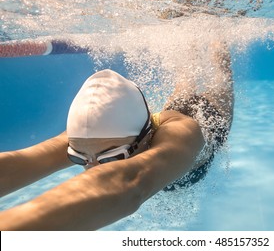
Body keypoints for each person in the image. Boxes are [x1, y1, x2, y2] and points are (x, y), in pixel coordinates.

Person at [0, 41, 234, 230]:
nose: (93, 169)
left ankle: (216, 39)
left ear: (146, 138)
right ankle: (191, 45)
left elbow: (129, 183)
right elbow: (23, 161)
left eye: (111, 158)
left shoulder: (183, 135)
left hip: (209, 117)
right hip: (160, 116)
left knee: (222, 74)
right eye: (78, 158)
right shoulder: (92, 139)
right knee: (185, 79)